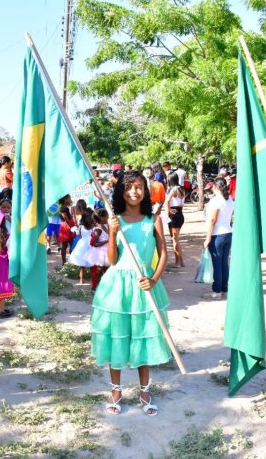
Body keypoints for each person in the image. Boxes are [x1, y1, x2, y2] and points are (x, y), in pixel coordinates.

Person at [90, 170, 171, 416]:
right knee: (117, 337)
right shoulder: (116, 220)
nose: (134, 192)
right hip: (117, 287)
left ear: (145, 191)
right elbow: (112, 261)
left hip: (143, 284)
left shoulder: (152, 219)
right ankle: (116, 391)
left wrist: (154, 279)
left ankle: (145, 391)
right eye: (129, 187)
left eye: (138, 187)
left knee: (142, 338)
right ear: (121, 192)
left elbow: (163, 253)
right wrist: (113, 231)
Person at [202, 179, 234, 300]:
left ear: (216, 187)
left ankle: (216, 291)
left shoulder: (216, 201)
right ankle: (224, 289)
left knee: (217, 264)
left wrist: (207, 238)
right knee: (224, 263)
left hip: (217, 235)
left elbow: (212, 220)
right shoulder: (229, 199)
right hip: (228, 232)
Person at [69, 207, 96, 285]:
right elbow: (94, 236)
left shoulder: (81, 227)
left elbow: (80, 236)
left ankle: (81, 279)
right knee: (92, 263)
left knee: (82, 264)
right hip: (91, 244)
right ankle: (93, 280)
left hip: (82, 244)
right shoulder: (94, 227)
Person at [164, 172, 186, 268]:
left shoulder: (173, 189)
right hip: (180, 213)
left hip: (174, 215)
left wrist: (168, 211)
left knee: (174, 240)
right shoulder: (181, 189)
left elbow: (167, 201)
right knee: (176, 239)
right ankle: (181, 261)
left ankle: (178, 262)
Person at [89, 208, 110, 291]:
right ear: (102, 218)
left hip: (107, 251)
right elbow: (94, 244)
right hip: (100, 253)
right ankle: (94, 287)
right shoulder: (98, 230)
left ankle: (105, 287)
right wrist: (106, 241)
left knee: (107, 271)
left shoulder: (105, 226)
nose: (108, 217)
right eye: (107, 216)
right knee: (99, 271)